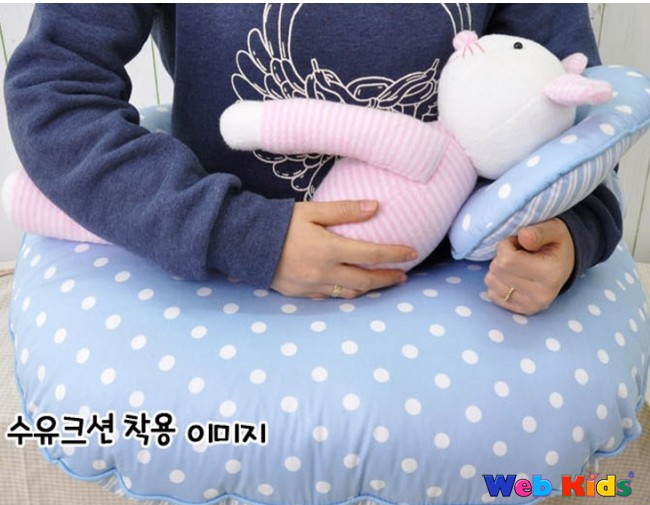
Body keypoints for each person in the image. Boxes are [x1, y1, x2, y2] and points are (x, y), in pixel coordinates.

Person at [4, 4, 622, 315]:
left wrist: (573, 228)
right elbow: (54, 91)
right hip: (217, 280)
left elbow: (571, 107)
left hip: (452, 280)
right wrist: (237, 232)